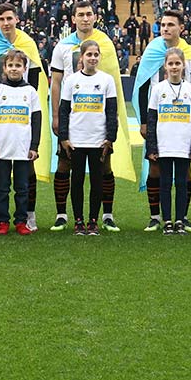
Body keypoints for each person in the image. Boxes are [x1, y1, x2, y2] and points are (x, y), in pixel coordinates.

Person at [48, 0, 133, 231]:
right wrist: (56, 116)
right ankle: (62, 214)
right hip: (73, 120)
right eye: (81, 15)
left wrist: (111, 127)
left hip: (98, 123)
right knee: (64, 167)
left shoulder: (104, 44)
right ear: (73, 18)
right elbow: (56, 83)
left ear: (95, 17)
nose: (85, 18)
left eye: (89, 14)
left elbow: (112, 81)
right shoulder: (62, 47)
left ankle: (106, 214)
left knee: (104, 168)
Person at [133, 9, 191, 232]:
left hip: (183, 123)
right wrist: (145, 122)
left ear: (181, 28)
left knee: (184, 172)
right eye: (163, 25)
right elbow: (142, 86)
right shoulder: (152, 52)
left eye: (170, 25)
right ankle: (156, 216)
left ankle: (182, 217)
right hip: (160, 122)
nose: (165, 28)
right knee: (155, 168)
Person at [0, 3, 50, 233]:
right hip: (0, 120)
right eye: (2, 19)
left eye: (10, 18)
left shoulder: (27, 44)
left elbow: (37, 76)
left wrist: (23, 98)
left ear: (16, 19)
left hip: (22, 124)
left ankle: (28, 216)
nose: (6, 22)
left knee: (25, 176)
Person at [58, 40, 120, 236]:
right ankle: (78, 221)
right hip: (76, 142)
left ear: (99, 57)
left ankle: (93, 221)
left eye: (96, 54)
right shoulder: (71, 81)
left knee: (97, 181)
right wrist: (64, 138)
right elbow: (64, 111)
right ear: (82, 57)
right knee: (76, 181)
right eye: (89, 54)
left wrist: (110, 138)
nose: (92, 58)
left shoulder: (107, 80)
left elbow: (112, 111)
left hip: (98, 141)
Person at [144, 48, 191, 235]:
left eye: (178, 63)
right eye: (171, 63)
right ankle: (167, 220)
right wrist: (152, 147)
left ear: (183, 65)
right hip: (164, 145)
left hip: (184, 145)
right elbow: (152, 120)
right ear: (165, 66)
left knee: (182, 183)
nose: (174, 67)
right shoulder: (157, 89)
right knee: (165, 183)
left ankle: (180, 220)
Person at [0, 49, 42, 236]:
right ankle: (2, 221)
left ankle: (21, 221)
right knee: (2, 188)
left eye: (18, 65)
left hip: (23, 149)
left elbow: (37, 120)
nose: (14, 69)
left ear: (25, 68)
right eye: (11, 65)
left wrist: (34, 146)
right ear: (4, 68)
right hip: (1, 148)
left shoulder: (30, 91)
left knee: (22, 188)